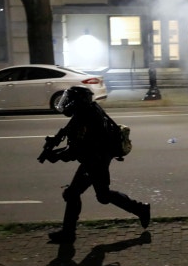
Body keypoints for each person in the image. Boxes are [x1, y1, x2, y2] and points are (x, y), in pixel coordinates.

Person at [42, 85, 150, 243]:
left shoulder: (89, 118)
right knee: (102, 196)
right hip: (95, 159)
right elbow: (73, 140)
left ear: (79, 101)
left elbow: (78, 149)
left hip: (96, 161)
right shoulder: (85, 112)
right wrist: (55, 146)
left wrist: (57, 156)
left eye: (70, 100)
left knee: (74, 194)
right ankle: (141, 209)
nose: (67, 103)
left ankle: (68, 234)